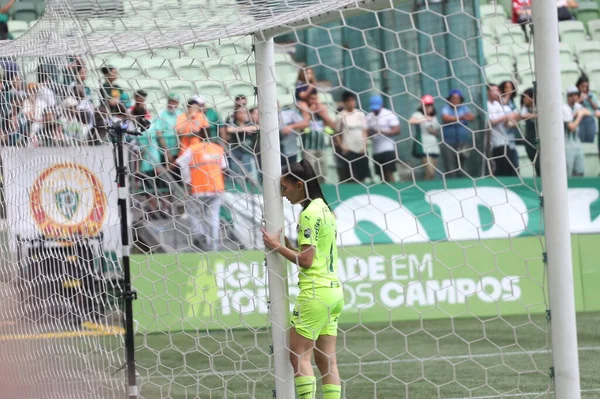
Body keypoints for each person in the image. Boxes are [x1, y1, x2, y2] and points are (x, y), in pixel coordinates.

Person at [261, 160, 343, 399]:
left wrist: (277, 247)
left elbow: (307, 261)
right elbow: (314, 253)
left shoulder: (308, 214)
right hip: (334, 292)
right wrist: (290, 248)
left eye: (285, 189)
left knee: (298, 355)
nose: (284, 195)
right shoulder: (325, 209)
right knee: (327, 362)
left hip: (315, 293)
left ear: (299, 185)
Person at [176, 128, 227, 251]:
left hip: (198, 187)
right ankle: (213, 244)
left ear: (197, 137)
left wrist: (187, 181)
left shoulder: (193, 149)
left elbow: (180, 162)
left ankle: (200, 235)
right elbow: (224, 167)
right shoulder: (218, 148)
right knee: (213, 216)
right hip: (216, 188)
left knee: (192, 212)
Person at [334, 91, 370, 183]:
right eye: (349, 101)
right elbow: (336, 133)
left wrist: (364, 145)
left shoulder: (360, 114)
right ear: (345, 102)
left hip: (361, 149)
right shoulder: (340, 116)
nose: (351, 103)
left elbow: (364, 131)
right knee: (350, 175)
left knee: (362, 175)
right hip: (348, 149)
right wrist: (342, 146)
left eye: (353, 100)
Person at [300, 92, 336, 183]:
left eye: (316, 99)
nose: (314, 101)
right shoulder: (303, 112)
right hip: (308, 147)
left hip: (321, 146)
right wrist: (309, 112)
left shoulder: (321, 114)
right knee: (310, 171)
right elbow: (303, 125)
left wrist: (322, 114)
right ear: (307, 100)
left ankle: (322, 189)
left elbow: (333, 125)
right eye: (312, 99)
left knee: (322, 171)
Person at [440, 89, 476, 179]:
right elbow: (446, 118)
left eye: (457, 98)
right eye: (453, 98)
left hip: (463, 140)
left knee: (462, 163)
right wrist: (461, 117)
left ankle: (463, 182)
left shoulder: (464, 108)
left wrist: (459, 118)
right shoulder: (446, 108)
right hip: (448, 141)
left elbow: (471, 117)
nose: (455, 101)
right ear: (449, 99)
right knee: (450, 164)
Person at [366, 94, 401, 183]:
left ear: (381, 105)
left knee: (389, 172)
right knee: (380, 174)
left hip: (387, 148)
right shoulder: (369, 117)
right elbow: (366, 132)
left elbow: (397, 130)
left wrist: (382, 132)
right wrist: (371, 133)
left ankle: (393, 189)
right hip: (376, 150)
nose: (375, 110)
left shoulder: (388, 114)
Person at [487, 84, 519, 177]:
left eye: (498, 90)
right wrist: (506, 116)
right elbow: (491, 122)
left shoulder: (498, 104)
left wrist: (512, 119)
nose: (497, 92)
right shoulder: (486, 105)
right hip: (495, 142)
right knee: (500, 169)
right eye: (494, 90)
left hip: (505, 140)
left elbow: (505, 122)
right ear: (488, 92)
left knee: (509, 169)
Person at [409, 94, 441, 180]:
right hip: (424, 146)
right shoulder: (418, 114)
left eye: (430, 105)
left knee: (432, 174)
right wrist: (425, 119)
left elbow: (436, 129)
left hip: (434, 145)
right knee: (429, 171)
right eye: (426, 105)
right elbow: (411, 121)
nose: (428, 107)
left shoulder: (434, 116)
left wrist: (434, 131)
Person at [563, 86, 589, 177]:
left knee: (579, 169)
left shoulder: (577, 106)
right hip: (567, 143)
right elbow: (572, 127)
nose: (574, 97)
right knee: (568, 170)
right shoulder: (564, 108)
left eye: (576, 95)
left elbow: (588, 112)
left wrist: (579, 113)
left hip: (576, 142)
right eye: (571, 95)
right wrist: (579, 115)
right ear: (568, 97)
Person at [280, 102, 310, 167]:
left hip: (290, 150)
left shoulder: (289, 113)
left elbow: (305, 124)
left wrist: (291, 126)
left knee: (291, 171)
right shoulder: (267, 117)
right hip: (275, 152)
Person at [520, 88, 540, 176]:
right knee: (535, 162)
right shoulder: (525, 109)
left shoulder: (540, 107)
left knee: (541, 162)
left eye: (526, 97)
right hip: (529, 140)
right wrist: (536, 115)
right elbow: (523, 115)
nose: (524, 99)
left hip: (540, 139)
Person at [575, 75, 600, 143]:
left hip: (590, 120)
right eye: (582, 86)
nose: (584, 88)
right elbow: (572, 106)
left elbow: (597, 108)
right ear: (578, 86)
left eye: (586, 86)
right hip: (579, 120)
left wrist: (590, 100)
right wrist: (580, 99)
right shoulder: (575, 95)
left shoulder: (591, 95)